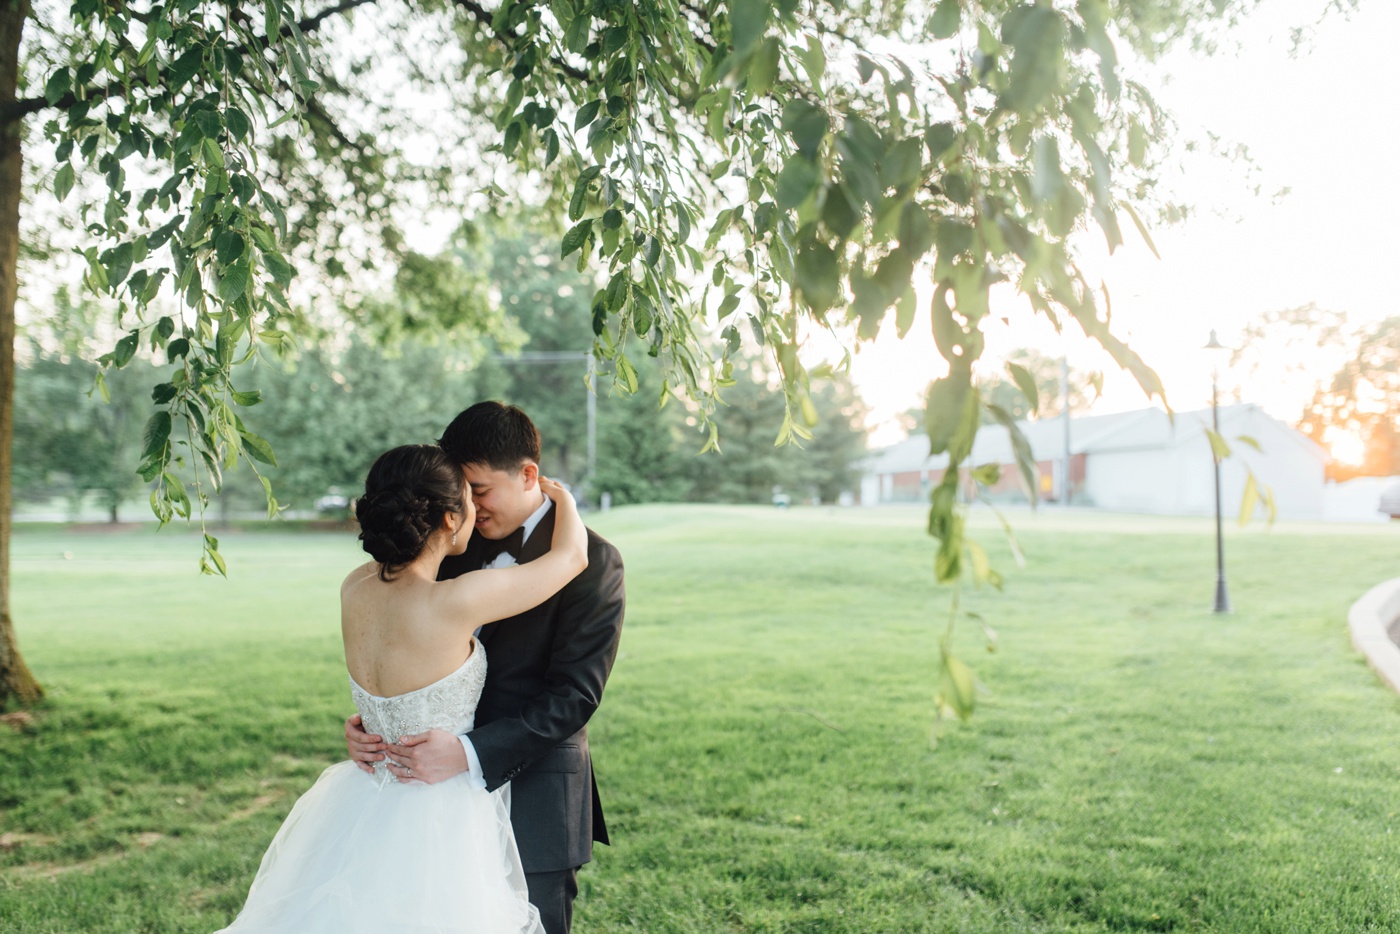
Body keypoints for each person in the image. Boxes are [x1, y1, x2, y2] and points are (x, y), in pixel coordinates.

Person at [215, 443, 589, 933]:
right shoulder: (455, 600)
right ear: (450, 520)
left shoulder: (353, 587)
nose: (477, 509)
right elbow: (572, 558)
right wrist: (564, 501)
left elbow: (389, 684)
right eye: (469, 500)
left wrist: (370, 721)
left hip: (367, 794)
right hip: (438, 809)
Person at [345, 402, 626, 934]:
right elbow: (403, 644)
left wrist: (469, 753)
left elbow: (575, 696)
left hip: (535, 797)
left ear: (528, 475)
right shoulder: (444, 541)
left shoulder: (594, 560)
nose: (466, 505)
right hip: (425, 807)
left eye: (478, 489)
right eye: (459, 493)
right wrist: (377, 722)